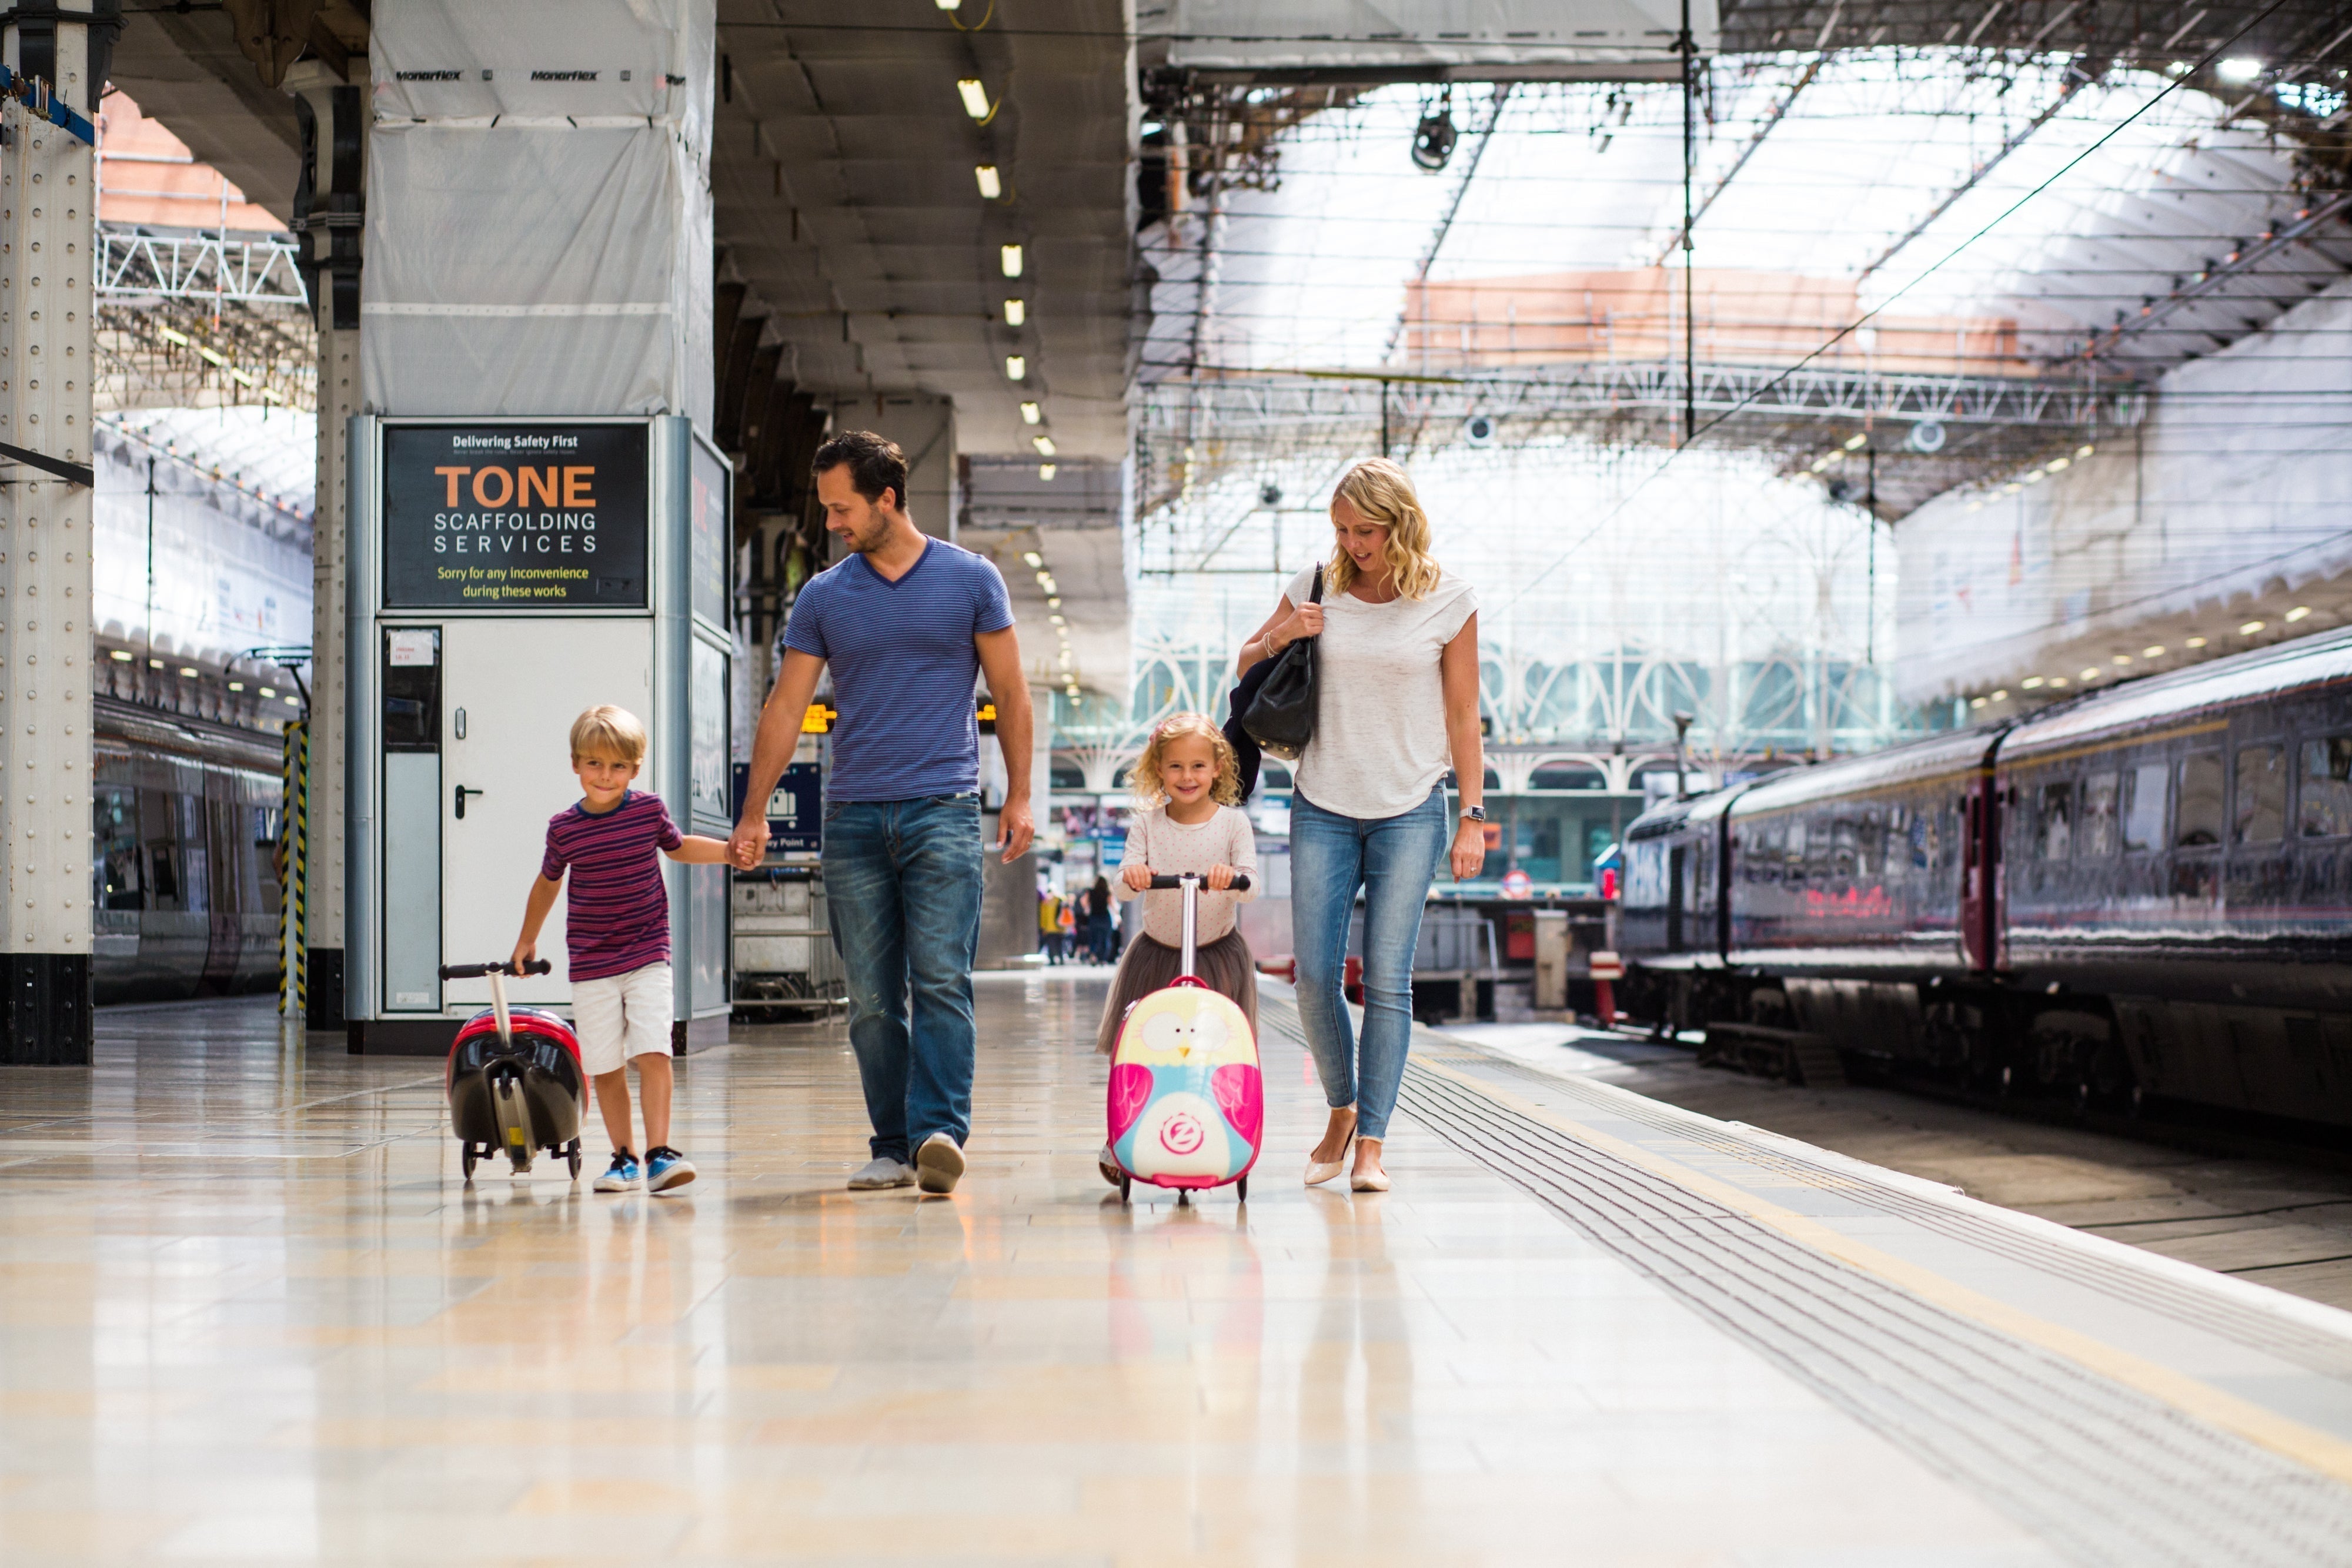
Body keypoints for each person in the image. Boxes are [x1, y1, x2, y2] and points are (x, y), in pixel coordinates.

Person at [729, 431, 1033, 1196]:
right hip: (855, 818)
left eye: (842, 507)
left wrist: (1020, 791)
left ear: (887, 498)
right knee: (869, 997)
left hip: (943, 809)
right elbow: (786, 705)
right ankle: (890, 1143)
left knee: (939, 979)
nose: (832, 521)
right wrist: (753, 811)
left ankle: (937, 1132)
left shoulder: (971, 580)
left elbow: (1012, 693)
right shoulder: (826, 595)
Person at [1236, 457, 1484, 1193]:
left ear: (1399, 524)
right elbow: (1244, 664)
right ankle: (1340, 1109)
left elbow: (1463, 715)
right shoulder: (1317, 583)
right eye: (1342, 530)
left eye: (1366, 531)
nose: (1352, 544)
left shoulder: (1450, 599)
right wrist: (1287, 633)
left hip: (1411, 807)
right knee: (1315, 977)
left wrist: (1472, 815)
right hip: (1322, 802)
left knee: (1387, 981)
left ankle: (1372, 1140)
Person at [512, 706, 734, 1195]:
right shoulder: (564, 828)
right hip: (592, 961)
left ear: (635, 769)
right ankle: (624, 1157)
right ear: (575, 764)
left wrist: (726, 850)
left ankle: (659, 1153)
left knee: (655, 1049)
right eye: (594, 764)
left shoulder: (648, 810)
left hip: (648, 951)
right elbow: (548, 883)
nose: (605, 776)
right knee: (605, 1064)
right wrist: (528, 938)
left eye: (617, 766)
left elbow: (677, 848)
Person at [1095, 713, 1259, 1183]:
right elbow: (1124, 886)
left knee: (1216, 1048)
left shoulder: (1232, 824)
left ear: (1217, 770)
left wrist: (1232, 878)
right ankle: (1121, 1132)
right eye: (1176, 767)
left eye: (1198, 766)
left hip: (1218, 953)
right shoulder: (1147, 825)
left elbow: (1251, 884)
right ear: (1158, 770)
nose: (1187, 777)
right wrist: (1134, 874)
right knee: (1140, 1044)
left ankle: (1223, 1126)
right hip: (1157, 953)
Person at [1087, 875, 1116, 963]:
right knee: (1105, 939)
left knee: (1093, 938)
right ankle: (1102, 959)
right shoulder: (1108, 892)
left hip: (1094, 917)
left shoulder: (1091, 891)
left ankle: (1093, 955)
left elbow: (1084, 903)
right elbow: (1112, 905)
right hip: (1105, 917)